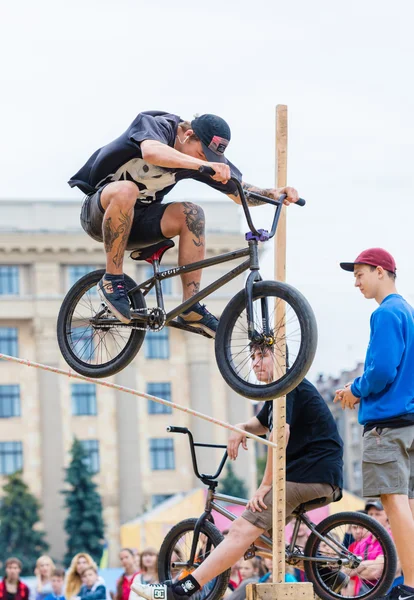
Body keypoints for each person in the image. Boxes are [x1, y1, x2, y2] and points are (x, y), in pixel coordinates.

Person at [132, 343, 344, 600]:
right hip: (319, 475)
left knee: (240, 531)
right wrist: (241, 427)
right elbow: (260, 424)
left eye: (263, 355)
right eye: (252, 357)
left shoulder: (288, 386)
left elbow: (279, 434)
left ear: (283, 359)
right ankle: (326, 572)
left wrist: (267, 484)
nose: (255, 363)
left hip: (310, 474)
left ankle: (181, 590)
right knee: (256, 539)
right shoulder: (279, 391)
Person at [69, 110, 300, 331]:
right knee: (127, 190)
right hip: (98, 214)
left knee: (192, 213)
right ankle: (112, 280)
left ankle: (191, 306)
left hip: (140, 225)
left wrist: (273, 194)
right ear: (187, 135)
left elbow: (240, 193)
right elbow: (151, 152)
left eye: (208, 158)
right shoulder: (157, 124)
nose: (203, 162)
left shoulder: (198, 161)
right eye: (201, 154)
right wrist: (202, 165)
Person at [335, 248, 414, 600]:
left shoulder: (385, 314)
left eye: (360, 273)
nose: (356, 282)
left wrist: (355, 389)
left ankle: (411, 585)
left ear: (381, 272)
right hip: (410, 422)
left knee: (395, 506)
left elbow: (381, 371)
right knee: (408, 507)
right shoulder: (408, 313)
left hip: (388, 426)